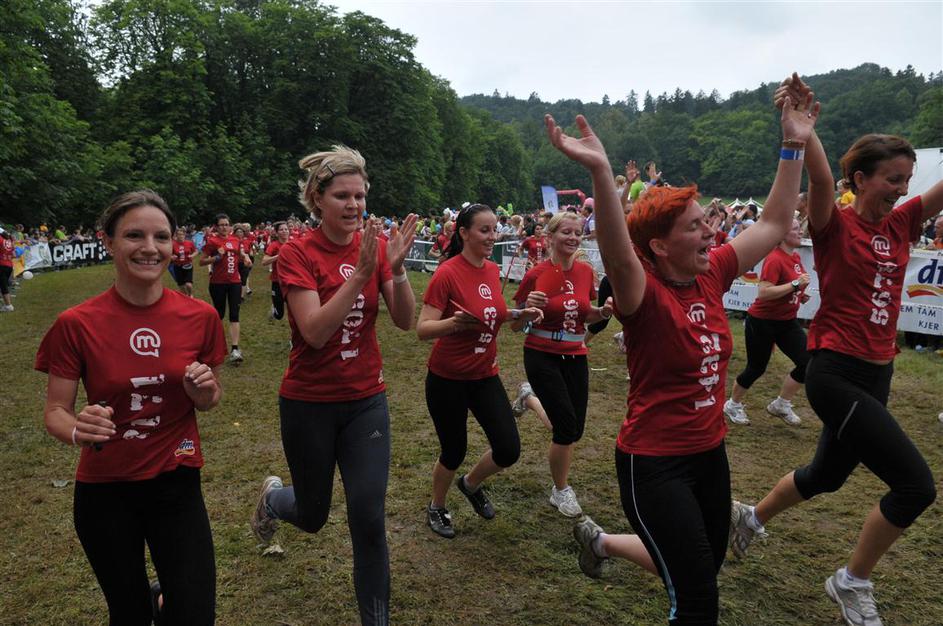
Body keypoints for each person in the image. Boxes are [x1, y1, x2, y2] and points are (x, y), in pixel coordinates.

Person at [545, 81, 818, 624]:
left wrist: (794, 145)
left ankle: (600, 543)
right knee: (697, 600)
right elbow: (618, 253)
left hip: (710, 453)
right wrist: (601, 171)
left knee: (707, 563)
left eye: (707, 221)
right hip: (654, 464)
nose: (712, 233)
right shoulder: (642, 292)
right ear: (660, 246)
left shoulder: (712, 272)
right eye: (695, 226)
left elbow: (771, 223)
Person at [730, 75, 940, 626]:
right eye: (892, 179)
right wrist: (806, 132)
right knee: (915, 486)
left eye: (907, 180)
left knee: (826, 475)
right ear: (860, 179)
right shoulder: (834, 225)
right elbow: (821, 178)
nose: (901, 189)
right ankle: (851, 582)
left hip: (878, 372)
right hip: (835, 373)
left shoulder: (903, 223)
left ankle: (750, 517)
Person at [35, 190, 225, 625]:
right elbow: (56, 411)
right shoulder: (76, 323)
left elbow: (211, 397)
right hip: (106, 491)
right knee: (128, 614)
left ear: (174, 243)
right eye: (134, 235)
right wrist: (79, 429)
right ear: (108, 242)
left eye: (161, 237)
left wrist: (204, 393)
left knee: (195, 614)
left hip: (176, 483)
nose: (149, 248)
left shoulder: (200, 317)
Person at [249, 146, 417, 626]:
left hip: (366, 402)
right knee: (313, 514)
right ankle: (273, 500)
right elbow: (315, 332)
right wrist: (361, 274)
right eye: (342, 195)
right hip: (309, 404)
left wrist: (396, 269)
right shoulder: (296, 253)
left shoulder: (376, 248)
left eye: (360, 195)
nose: (354, 204)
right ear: (317, 199)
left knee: (369, 518)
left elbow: (404, 320)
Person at [417, 203, 543, 539]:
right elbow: (423, 328)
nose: (492, 236)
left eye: (494, 229)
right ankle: (437, 506)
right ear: (464, 233)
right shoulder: (447, 273)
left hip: (485, 375)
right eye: (484, 230)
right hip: (447, 379)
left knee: (508, 449)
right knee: (453, 450)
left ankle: (470, 484)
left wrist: (519, 314)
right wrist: (453, 324)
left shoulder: (491, 269)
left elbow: (491, 312)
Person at [511, 211, 612, 517]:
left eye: (577, 233)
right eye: (566, 232)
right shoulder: (536, 274)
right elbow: (515, 325)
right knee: (566, 428)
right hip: (541, 353)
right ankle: (561, 490)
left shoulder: (585, 272)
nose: (573, 238)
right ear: (551, 236)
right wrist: (527, 310)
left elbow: (585, 313)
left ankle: (528, 398)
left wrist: (603, 312)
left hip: (576, 355)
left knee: (573, 429)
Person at [724, 216, 811, 426]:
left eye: (800, 228)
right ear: (782, 235)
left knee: (808, 363)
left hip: (786, 321)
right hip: (762, 321)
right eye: (796, 229)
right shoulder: (775, 259)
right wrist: (794, 286)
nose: (801, 232)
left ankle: (781, 404)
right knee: (756, 367)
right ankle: (732, 405)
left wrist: (799, 294)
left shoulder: (795, 257)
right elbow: (764, 292)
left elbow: (789, 286)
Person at [200, 214, 251, 364]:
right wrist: (216, 257)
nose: (224, 227)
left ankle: (235, 349)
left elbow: (240, 254)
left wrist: (246, 258)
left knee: (235, 315)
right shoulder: (212, 241)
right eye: (221, 225)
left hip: (235, 282)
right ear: (216, 227)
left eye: (226, 224)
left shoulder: (235, 240)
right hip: (218, 283)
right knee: (219, 314)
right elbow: (202, 261)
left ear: (230, 226)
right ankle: (213, 344)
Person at [262, 221, 290, 320]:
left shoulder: (294, 244)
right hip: (277, 281)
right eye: (281, 230)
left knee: (295, 310)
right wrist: (278, 256)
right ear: (277, 233)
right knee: (279, 315)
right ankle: (274, 310)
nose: (284, 231)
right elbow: (264, 261)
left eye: (286, 229)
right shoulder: (274, 245)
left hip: (292, 281)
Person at [171, 226, 197, 296]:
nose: (180, 236)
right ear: (176, 236)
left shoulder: (189, 243)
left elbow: (196, 251)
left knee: (188, 285)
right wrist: (172, 257)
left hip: (188, 265)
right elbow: (169, 254)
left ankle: (190, 295)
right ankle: (185, 297)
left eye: (182, 234)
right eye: (179, 234)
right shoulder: (173, 244)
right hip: (177, 266)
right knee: (181, 285)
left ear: (184, 235)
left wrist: (192, 255)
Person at [234, 224, 255, 299]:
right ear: (235, 233)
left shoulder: (247, 241)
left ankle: (241, 296)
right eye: (238, 232)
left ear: (243, 233)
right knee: (236, 279)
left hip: (245, 262)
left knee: (244, 278)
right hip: (235, 262)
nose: (239, 233)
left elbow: (250, 249)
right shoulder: (232, 241)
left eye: (241, 232)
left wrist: (251, 253)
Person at [0, 229, 14, 312]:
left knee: (3, 286)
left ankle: (8, 306)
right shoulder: (8, 240)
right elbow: (13, 254)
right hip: (9, 264)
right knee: (3, 285)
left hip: (1, 264)